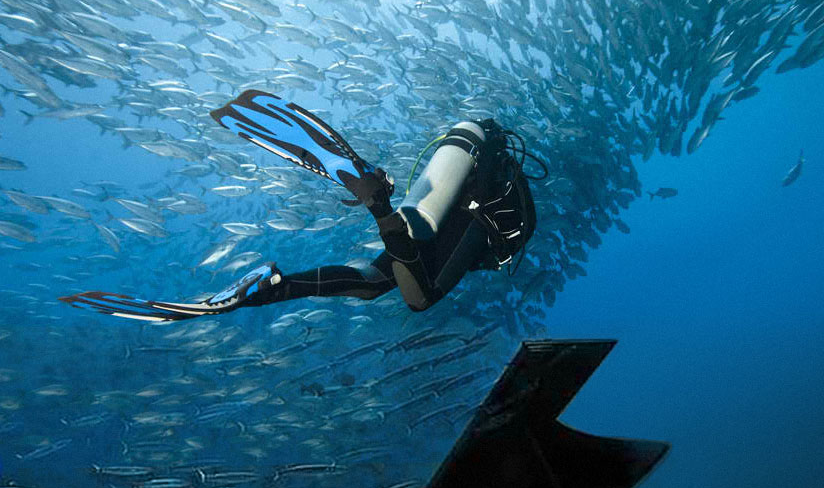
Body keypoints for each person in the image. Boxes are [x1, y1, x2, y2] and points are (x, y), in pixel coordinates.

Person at [60, 90, 544, 322]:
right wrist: (383, 210)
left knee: (375, 284)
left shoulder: (481, 158)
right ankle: (378, 204)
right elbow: (494, 235)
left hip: (430, 212)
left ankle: (275, 286)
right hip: (468, 217)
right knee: (421, 297)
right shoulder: (507, 193)